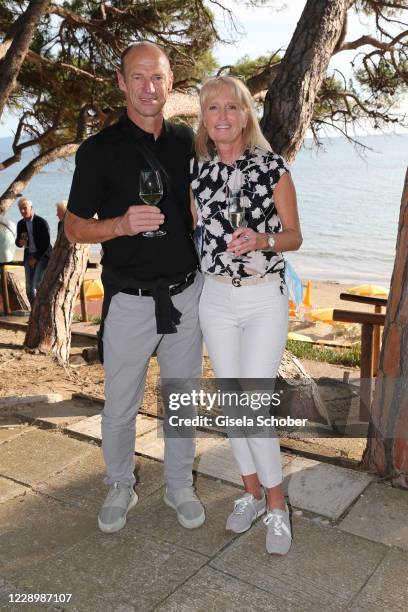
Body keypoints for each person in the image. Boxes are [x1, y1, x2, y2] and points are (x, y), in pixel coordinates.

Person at [64, 42, 204, 534]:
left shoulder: (187, 140)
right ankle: (120, 484)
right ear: (122, 83)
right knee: (121, 405)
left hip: (186, 294)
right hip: (129, 302)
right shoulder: (99, 151)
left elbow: (196, 207)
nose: (149, 88)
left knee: (182, 400)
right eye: (138, 78)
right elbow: (75, 229)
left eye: (158, 78)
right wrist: (121, 225)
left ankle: (179, 484)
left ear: (170, 84)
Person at [190, 76, 302, 555]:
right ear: (204, 118)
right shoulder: (198, 173)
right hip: (215, 300)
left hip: (262, 299)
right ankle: (252, 495)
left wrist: (262, 240)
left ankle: (278, 508)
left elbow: (295, 236)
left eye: (231, 107)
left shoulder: (272, 167)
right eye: (212, 108)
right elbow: (198, 237)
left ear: (244, 114)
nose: (222, 116)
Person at [15, 198, 52, 306]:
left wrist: (35, 258)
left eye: (24, 208)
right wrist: (19, 242)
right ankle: (35, 313)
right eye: (20, 209)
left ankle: (40, 312)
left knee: (36, 285)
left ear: (31, 208)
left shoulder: (41, 222)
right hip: (28, 255)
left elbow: (46, 243)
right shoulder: (20, 224)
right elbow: (18, 241)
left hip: (42, 256)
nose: (22, 211)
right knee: (29, 289)